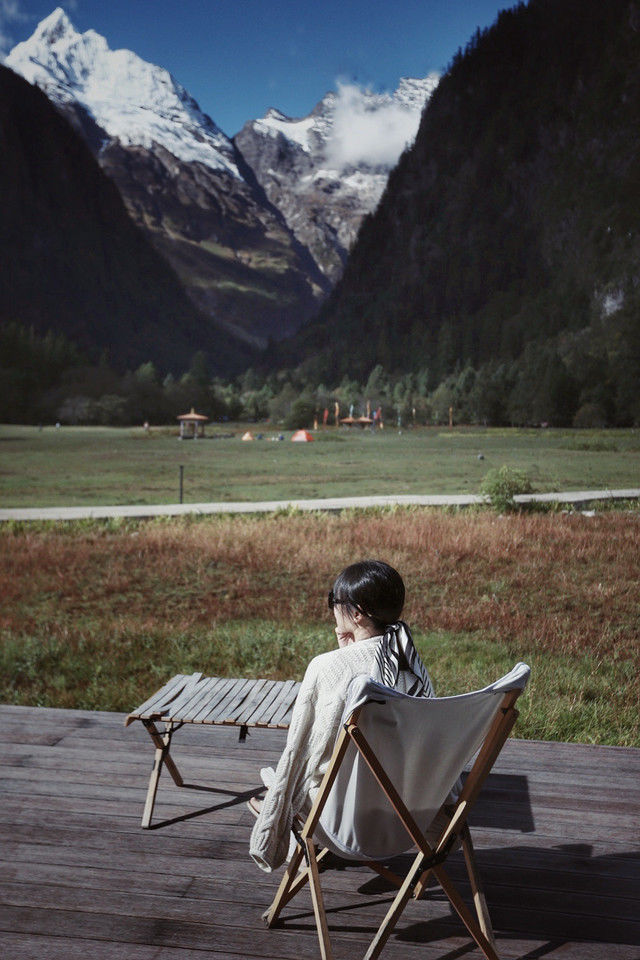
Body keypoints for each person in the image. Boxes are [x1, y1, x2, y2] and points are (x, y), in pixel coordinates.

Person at [248, 559, 434, 872]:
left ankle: (304, 844)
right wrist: (346, 650)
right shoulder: (409, 664)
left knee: (271, 791)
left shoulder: (327, 668)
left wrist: (276, 811)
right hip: (410, 815)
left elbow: (303, 754)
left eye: (334, 601)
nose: (332, 609)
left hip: (345, 820)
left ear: (357, 612)